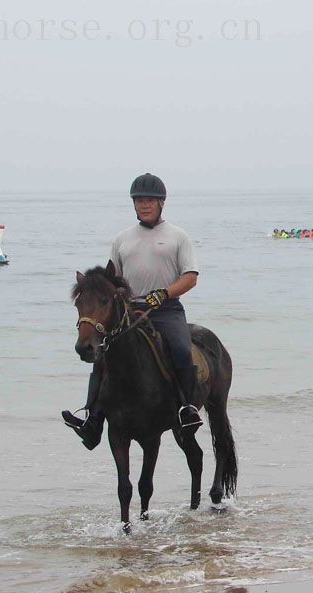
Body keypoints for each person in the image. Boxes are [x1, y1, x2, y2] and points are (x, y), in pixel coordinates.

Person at [62, 172, 203, 449]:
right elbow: (110, 279)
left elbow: (191, 277)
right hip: (130, 310)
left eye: (150, 200)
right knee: (103, 354)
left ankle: (186, 409)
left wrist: (163, 294)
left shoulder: (177, 236)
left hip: (166, 309)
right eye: (139, 200)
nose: (144, 205)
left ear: (161, 202)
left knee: (180, 348)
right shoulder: (122, 239)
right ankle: (92, 417)